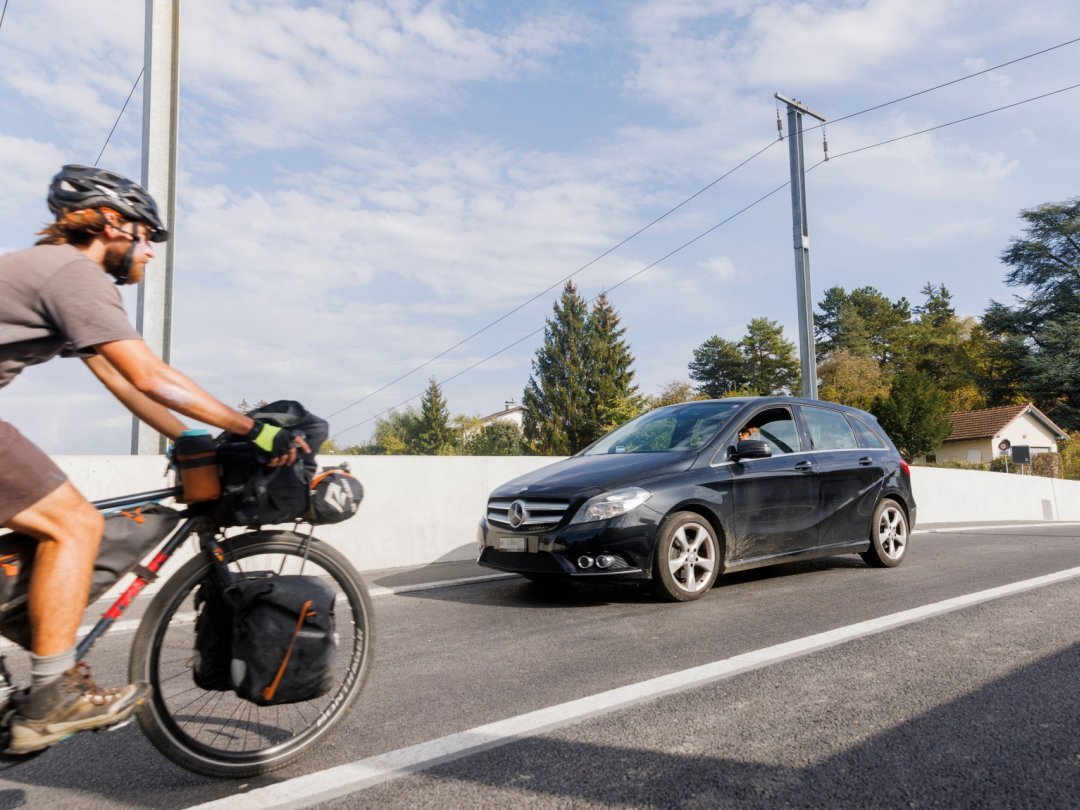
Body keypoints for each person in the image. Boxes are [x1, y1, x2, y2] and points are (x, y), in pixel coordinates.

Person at [0, 165, 308, 755]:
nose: (150, 252)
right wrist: (255, 432)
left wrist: (196, 438)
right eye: (146, 236)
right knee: (75, 524)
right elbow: (150, 373)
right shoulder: (77, 274)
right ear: (112, 224)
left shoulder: (50, 273)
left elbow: (122, 382)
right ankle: (50, 695)